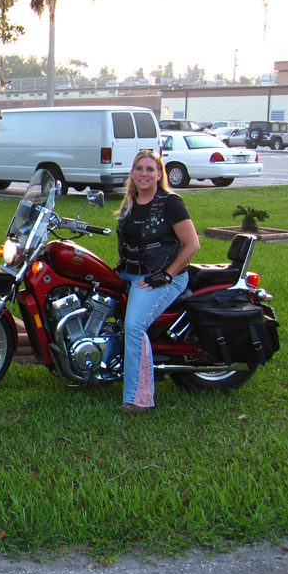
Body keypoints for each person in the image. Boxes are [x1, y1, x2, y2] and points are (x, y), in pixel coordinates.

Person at [115, 149, 200, 414]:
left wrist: (166, 275)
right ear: (132, 173)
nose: (144, 174)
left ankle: (139, 398)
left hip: (160, 277)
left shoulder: (170, 203)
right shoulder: (131, 201)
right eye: (139, 168)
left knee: (134, 326)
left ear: (159, 174)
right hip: (130, 273)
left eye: (150, 169)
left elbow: (192, 244)